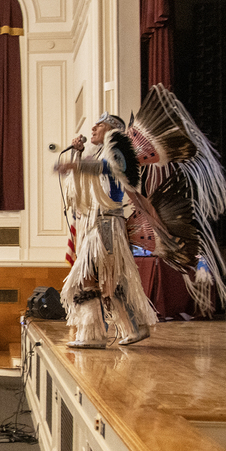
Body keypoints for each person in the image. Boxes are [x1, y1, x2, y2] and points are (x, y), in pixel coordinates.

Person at [55, 114, 157, 348]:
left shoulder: (117, 146)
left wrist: (79, 163)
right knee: (94, 278)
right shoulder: (101, 152)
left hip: (107, 225)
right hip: (95, 225)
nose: (93, 127)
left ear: (113, 128)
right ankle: (110, 331)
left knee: (102, 277)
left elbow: (111, 168)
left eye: (99, 124)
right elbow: (83, 183)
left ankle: (119, 330)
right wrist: (78, 155)